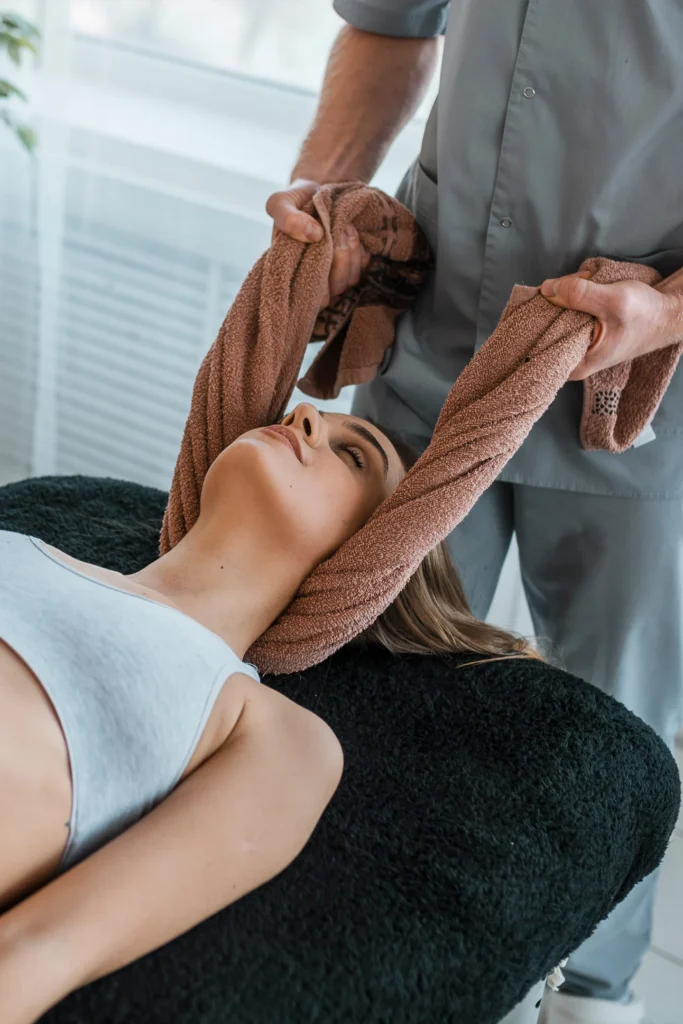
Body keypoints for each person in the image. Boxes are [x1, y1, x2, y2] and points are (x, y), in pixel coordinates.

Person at [265, 5, 683, 1024]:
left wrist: (666, 314)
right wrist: (328, 197)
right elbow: (387, 27)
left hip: (636, 396)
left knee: (603, 733)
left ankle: (587, 993)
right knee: (358, 675)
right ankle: (340, 959)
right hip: (432, 336)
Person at [0, 374, 538, 1021]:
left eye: (352, 453)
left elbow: (40, 949)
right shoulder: (22, 546)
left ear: (371, 559)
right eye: (305, 412)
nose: (308, 414)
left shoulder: (272, 733)